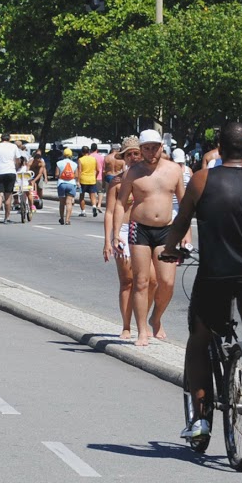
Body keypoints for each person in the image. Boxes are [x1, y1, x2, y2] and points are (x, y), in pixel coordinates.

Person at [161, 122, 242, 442]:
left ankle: (199, 421)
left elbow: (181, 221)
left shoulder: (202, 180)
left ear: (219, 150)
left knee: (198, 338)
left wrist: (170, 251)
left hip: (214, 274)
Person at [114, 129, 184, 345]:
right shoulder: (133, 173)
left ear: (161, 147)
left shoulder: (174, 170)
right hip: (140, 229)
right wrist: (116, 234)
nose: (151, 152)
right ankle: (141, 330)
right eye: (147, 148)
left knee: (167, 281)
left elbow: (184, 203)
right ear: (141, 149)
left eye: (155, 147)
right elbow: (120, 202)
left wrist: (185, 234)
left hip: (166, 229)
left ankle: (156, 317)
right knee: (141, 282)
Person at [102, 136, 140, 338]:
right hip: (124, 232)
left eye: (137, 153)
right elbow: (109, 212)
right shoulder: (117, 182)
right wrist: (108, 240)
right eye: (129, 154)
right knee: (127, 281)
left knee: (150, 281)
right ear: (123, 158)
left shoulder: (149, 179)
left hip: (145, 230)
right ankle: (126, 325)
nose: (133, 157)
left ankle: (145, 322)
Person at [0, 132, 23, 222]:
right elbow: (18, 160)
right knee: (8, 195)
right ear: (9, 138)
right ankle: (7, 217)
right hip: (10, 172)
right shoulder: (14, 146)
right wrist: (16, 168)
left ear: (1, 138)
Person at [56, 148, 79, 224]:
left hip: (61, 184)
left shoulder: (59, 163)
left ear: (63, 155)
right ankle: (67, 220)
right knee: (69, 202)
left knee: (62, 203)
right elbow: (76, 175)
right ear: (71, 155)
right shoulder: (75, 164)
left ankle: (62, 218)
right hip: (71, 184)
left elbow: (56, 174)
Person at [77, 145, 101, 218]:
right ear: (89, 151)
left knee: (82, 196)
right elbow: (98, 170)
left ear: (82, 152)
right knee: (92, 195)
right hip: (92, 179)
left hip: (83, 179)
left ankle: (83, 211)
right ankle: (94, 206)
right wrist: (95, 176)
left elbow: (80, 171)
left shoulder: (80, 160)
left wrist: (78, 181)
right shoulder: (93, 159)